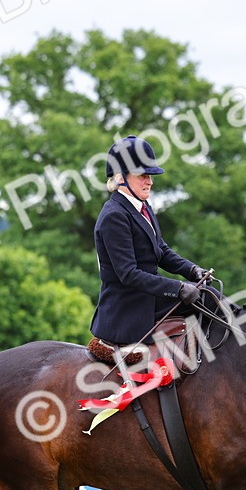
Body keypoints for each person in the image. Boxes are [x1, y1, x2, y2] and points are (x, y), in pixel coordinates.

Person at [90, 135, 210, 347]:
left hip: (149, 298)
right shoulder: (114, 216)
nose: (150, 181)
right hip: (128, 308)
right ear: (120, 177)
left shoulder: (142, 207)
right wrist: (179, 288)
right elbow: (129, 274)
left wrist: (191, 270)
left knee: (210, 295)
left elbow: (160, 250)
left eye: (151, 175)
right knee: (207, 299)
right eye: (143, 175)